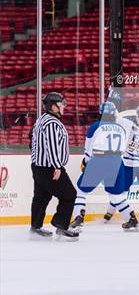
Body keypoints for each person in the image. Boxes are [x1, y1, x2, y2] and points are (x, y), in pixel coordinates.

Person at [69, 101, 139, 232]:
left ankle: (78, 217)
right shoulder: (121, 128)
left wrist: (86, 162)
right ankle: (131, 219)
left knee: (80, 191)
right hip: (118, 162)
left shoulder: (95, 126)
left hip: (99, 160)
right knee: (116, 195)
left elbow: (88, 149)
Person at [30, 92, 78, 241]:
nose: (64, 106)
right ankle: (61, 225)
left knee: (42, 196)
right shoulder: (51, 123)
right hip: (50, 168)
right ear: (53, 106)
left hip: (39, 167)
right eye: (61, 103)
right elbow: (51, 146)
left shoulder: (41, 119)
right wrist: (57, 167)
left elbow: (30, 139)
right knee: (69, 194)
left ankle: (36, 227)